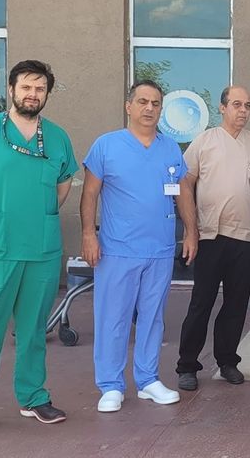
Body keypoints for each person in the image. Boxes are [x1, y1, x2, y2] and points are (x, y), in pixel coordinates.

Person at [0, 60, 77, 439]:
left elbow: (61, 188)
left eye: (40, 88)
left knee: (33, 330)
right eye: (26, 87)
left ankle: (33, 397)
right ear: (11, 89)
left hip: (40, 250)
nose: (32, 94)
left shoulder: (57, 138)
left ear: (47, 94)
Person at [80, 81, 198, 412]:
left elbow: (182, 192)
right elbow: (89, 193)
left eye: (156, 103)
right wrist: (88, 234)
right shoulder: (106, 146)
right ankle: (110, 385)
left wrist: (191, 232)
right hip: (118, 249)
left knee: (152, 317)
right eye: (143, 101)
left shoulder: (170, 149)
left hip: (159, 249)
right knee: (113, 318)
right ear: (128, 106)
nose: (149, 108)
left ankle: (147, 380)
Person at [176, 85, 250, 390]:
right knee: (202, 302)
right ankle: (187, 365)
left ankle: (228, 361)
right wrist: (191, 228)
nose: (243, 110)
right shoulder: (205, 141)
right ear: (222, 108)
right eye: (236, 104)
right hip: (211, 234)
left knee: (236, 303)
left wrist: (244, 200)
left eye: (247, 105)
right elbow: (185, 182)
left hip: (245, 236)